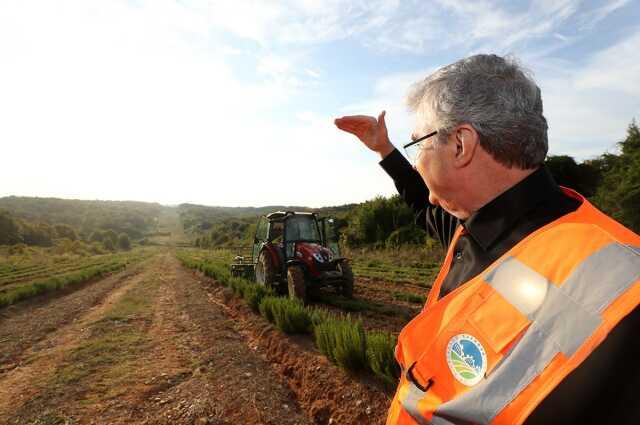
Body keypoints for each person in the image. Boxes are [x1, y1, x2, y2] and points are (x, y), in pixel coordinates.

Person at [335, 54, 640, 425]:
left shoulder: (625, 286)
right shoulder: (475, 226)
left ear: (461, 145)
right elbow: (424, 204)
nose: (416, 162)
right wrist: (386, 150)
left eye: (418, 145)